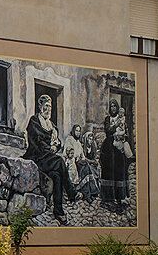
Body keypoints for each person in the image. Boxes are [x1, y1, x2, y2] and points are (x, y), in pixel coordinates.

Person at [22, 95, 80, 225]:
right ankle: (71, 192)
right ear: (40, 106)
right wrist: (51, 147)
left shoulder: (51, 125)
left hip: (47, 158)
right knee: (59, 161)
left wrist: (56, 145)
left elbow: (58, 142)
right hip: (36, 156)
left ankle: (58, 211)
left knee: (57, 176)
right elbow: (36, 142)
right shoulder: (34, 121)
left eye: (50, 107)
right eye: (46, 106)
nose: (48, 109)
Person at [100, 99, 130, 203]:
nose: (113, 108)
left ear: (117, 108)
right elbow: (108, 129)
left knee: (119, 170)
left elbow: (126, 131)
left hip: (118, 146)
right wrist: (116, 125)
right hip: (109, 147)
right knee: (109, 170)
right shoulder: (108, 119)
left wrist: (123, 136)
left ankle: (120, 197)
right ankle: (108, 197)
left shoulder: (121, 118)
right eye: (111, 106)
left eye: (115, 106)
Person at [64, 124, 100, 203]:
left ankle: (91, 193)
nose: (78, 132)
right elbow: (67, 153)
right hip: (71, 162)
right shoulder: (69, 139)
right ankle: (86, 194)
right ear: (73, 131)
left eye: (79, 131)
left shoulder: (78, 143)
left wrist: (82, 160)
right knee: (85, 168)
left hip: (79, 161)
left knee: (86, 166)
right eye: (76, 130)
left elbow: (82, 156)